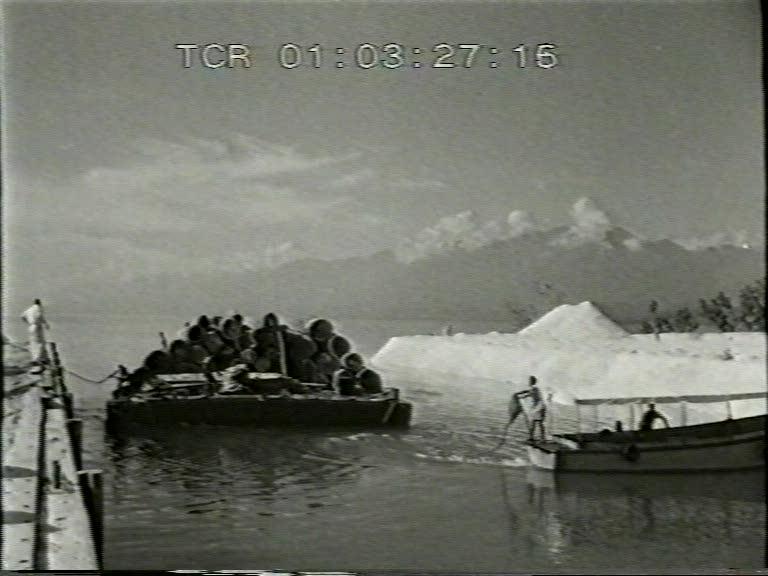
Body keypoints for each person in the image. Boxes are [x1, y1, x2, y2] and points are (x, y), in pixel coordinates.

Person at [516, 375, 546, 441]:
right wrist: (521, 397)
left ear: (532, 382)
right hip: (538, 407)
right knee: (535, 422)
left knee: (538, 422)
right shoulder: (533, 388)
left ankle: (541, 438)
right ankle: (533, 437)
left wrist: (522, 396)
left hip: (540, 407)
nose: (528, 382)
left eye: (529, 381)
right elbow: (529, 394)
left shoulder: (535, 388)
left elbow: (536, 397)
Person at [21, 299, 50, 364]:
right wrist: (45, 324)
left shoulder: (29, 309)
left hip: (31, 327)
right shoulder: (38, 308)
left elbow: (22, 316)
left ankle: (35, 358)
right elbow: (40, 316)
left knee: (33, 343)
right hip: (37, 326)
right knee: (40, 343)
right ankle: (39, 359)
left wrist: (27, 322)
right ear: (39, 303)